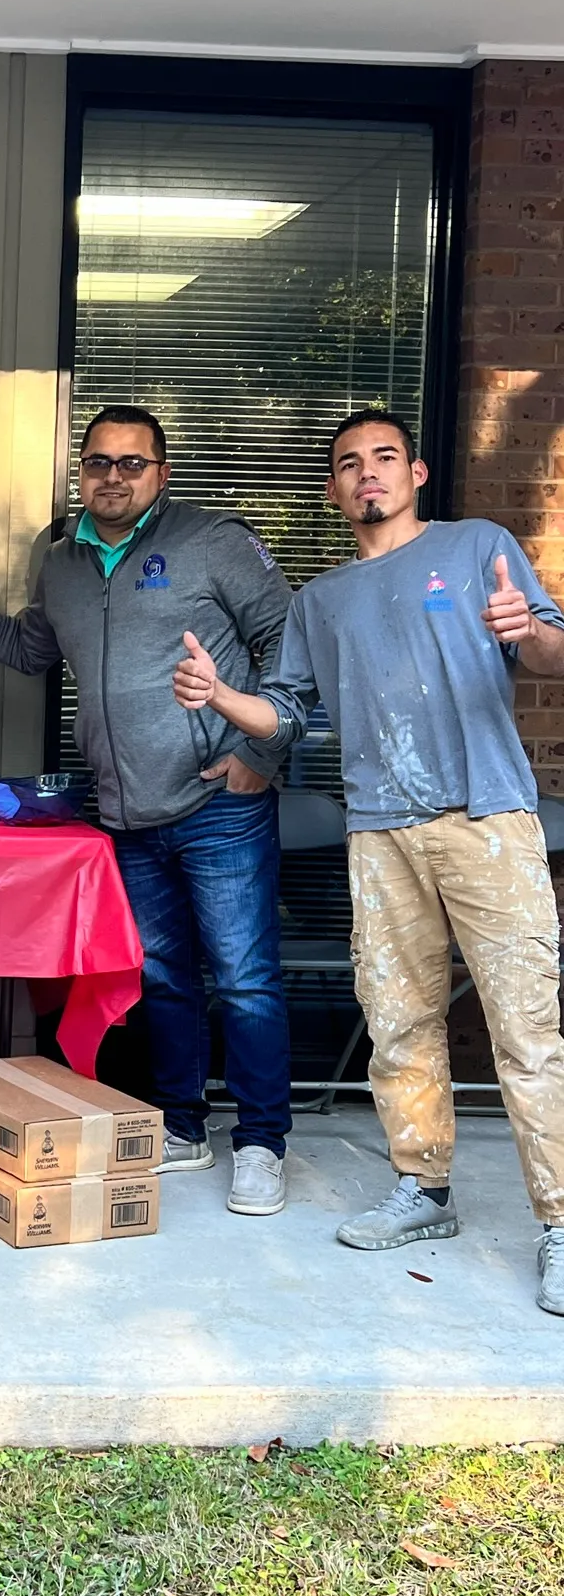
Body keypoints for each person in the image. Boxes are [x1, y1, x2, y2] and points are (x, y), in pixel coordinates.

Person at [173, 407, 564, 1315]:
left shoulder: (477, 548)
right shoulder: (320, 602)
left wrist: (526, 630)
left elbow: (551, 650)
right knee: (399, 1020)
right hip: (379, 831)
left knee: (526, 1028)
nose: (368, 475)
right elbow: (290, 715)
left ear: (417, 472)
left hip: (487, 820)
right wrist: (223, 696)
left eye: (384, 458)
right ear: (332, 490)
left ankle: (559, 1223)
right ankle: (422, 1190)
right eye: (349, 465)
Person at [0, 405, 296, 1215]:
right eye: (99, 462)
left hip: (217, 801)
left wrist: (260, 753)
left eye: (133, 463)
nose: (113, 476)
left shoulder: (213, 542)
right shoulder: (61, 562)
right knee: (163, 979)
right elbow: (31, 650)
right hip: (125, 813)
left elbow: (288, 639)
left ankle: (264, 1142)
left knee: (243, 981)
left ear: (161, 474)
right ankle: (186, 1129)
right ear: (82, 473)